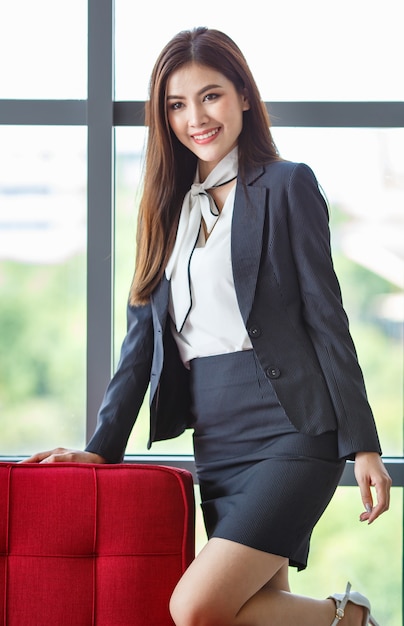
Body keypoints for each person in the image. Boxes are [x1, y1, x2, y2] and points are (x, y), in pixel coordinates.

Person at [24, 27, 391, 626]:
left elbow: (327, 318)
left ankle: (351, 620)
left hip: (293, 427)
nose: (195, 116)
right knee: (244, 614)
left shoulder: (286, 184)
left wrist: (364, 444)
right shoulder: (167, 209)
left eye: (211, 96)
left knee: (196, 609)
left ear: (244, 96)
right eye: (176, 104)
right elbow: (138, 345)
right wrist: (100, 449)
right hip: (217, 442)